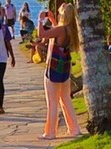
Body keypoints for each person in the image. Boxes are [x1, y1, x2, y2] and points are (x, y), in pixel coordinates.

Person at [32, 2, 79, 139]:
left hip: (53, 69)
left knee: (52, 102)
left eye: (59, 14)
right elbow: (56, 31)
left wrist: (41, 19)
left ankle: (50, 132)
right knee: (65, 99)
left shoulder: (61, 29)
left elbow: (42, 34)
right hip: (64, 70)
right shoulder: (70, 30)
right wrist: (52, 20)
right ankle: (74, 129)